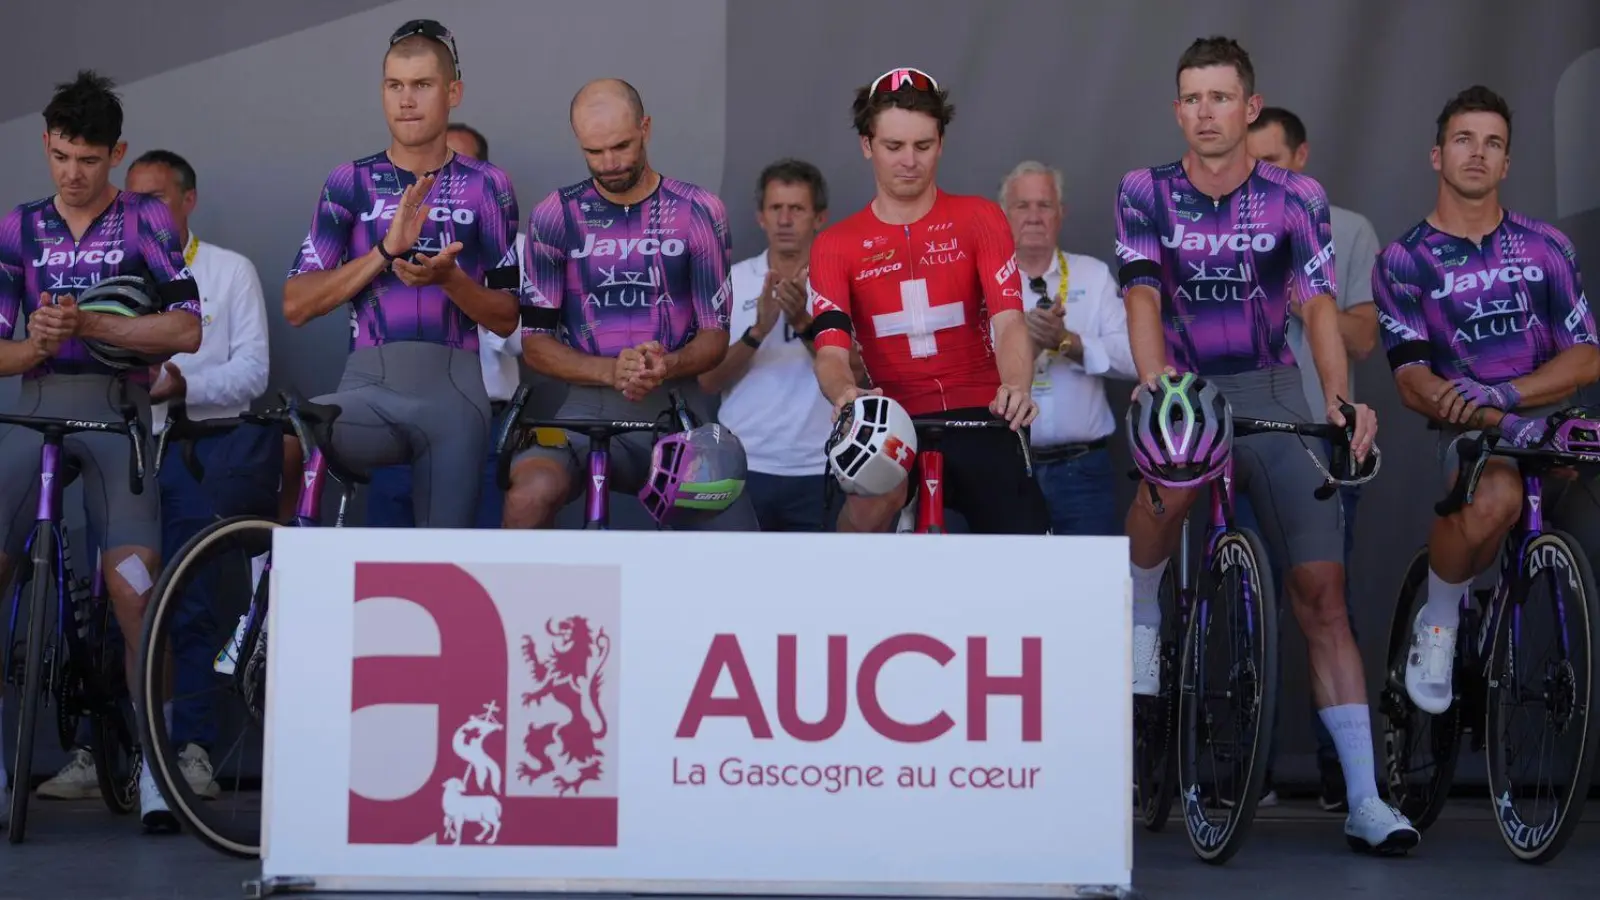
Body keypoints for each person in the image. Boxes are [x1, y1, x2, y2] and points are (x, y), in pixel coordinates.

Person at [1115, 37, 1415, 851]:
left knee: (1322, 597)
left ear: (1250, 107)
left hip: (1274, 390)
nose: (1207, 112)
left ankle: (1364, 800)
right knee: (1168, 487)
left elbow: (1319, 305)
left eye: (1222, 97)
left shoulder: (1296, 196)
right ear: (1178, 109)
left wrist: (1343, 403)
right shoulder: (1146, 190)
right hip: (1184, 387)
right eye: (1193, 98)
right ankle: (1141, 600)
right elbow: (1142, 292)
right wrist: (1153, 381)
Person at [33, 149, 275, 806]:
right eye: (130, 199)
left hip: (196, 450)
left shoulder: (228, 271)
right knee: (105, 602)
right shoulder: (105, 261)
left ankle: (186, 751)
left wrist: (179, 382)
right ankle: (98, 749)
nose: (139, 214)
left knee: (186, 602)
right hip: (119, 444)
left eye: (155, 200)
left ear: (187, 202)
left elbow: (254, 372)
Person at [0, 71, 202, 831]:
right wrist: (32, 346)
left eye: (87, 160)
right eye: (58, 157)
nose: (72, 175)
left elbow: (186, 332)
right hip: (37, 416)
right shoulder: (17, 227)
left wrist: (94, 328)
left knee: (132, 593)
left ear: (114, 154)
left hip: (119, 423)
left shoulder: (147, 219)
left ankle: (157, 765)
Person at [1373, 85, 1599, 716]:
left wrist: (1508, 392)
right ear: (1437, 155)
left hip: (1551, 427)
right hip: (1467, 429)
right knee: (1495, 494)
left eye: (1493, 143)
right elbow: (1411, 379)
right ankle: (1439, 625)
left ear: (1506, 164)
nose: (1478, 153)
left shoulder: (1546, 247)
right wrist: (1491, 415)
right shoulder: (1403, 259)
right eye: (1463, 140)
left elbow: (1587, 356)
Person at [280, 20, 522, 527]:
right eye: (395, 86)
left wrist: (449, 280)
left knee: (442, 568)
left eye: (422, 85)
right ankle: (268, 568)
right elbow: (296, 305)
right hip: (367, 385)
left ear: (452, 92)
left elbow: (506, 317)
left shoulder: (488, 184)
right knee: (286, 437)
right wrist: (384, 252)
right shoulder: (350, 181)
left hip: (454, 395)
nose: (406, 100)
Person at [503, 78, 759, 531]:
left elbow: (715, 336)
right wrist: (609, 371)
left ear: (646, 127)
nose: (610, 164)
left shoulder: (699, 211)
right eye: (594, 152)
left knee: (732, 537)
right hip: (582, 411)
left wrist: (668, 362)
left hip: (676, 409)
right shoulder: (554, 215)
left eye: (621, 146)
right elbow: (536, 343)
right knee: (527, 497)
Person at [805, 67, 1051, 535]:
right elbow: (832, 351)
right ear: (866, 145)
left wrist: (1016, 386)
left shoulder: (980, 217)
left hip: (984, 410)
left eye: (923, 145)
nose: (909, 161)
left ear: (941, 142)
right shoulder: (835, 244)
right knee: (866, 509)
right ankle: (843, 603)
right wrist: (844, 394)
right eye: (893, 146)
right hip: (892, 416)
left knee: (1027, 550)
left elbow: (1009, 321)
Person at [1244, 106, 1383, 812]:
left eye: (1274, 161)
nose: (1262, 174)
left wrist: (1304, 299)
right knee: (1244, 603)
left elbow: (1362, 336)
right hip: (1247, 433)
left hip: (1320, 444)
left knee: (1328, 608)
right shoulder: (1223, 224)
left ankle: (1344, 782)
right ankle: (1248, 775)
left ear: (1301, 160)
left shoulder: (1349, 229)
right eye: (1251, 160)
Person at [363, 121, 524, 529]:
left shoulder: (513, 246)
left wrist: (457, 281)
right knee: (389, 568)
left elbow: (523, 338)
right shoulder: (388, 245)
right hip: (396, 417)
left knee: (472, 566)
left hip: (481, 422)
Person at [698, 158, 838, 531]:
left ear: (819, 218)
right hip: (743, 465)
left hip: (821, 465)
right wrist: (757, 331)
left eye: (797, 208)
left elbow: (859, 373)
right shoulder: (733, 282)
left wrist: (804, 324)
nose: (785, 220)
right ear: (761, 217)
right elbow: (707, 381)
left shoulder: (841, 281)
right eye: (776, 208)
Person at [999, 160, 1136, 536]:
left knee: (1089, 590)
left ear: (1061, 214)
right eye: (1022, 205)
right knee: (1009, 589)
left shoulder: (1092, 276)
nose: (1034, 216)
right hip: (1005, 469)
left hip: (1082, 472)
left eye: (1044, 205)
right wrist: (1022, 341)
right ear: (1003, 215)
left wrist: (1068, 342)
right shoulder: (985, 283)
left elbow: (1134, 359)